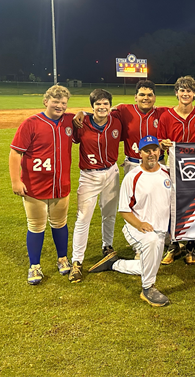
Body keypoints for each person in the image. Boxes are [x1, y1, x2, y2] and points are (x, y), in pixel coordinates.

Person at [88, 135, 173, 307]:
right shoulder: (133, 177)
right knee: (151, 241)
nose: (151, 154)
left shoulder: (167, 173)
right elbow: (124, 210)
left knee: (148, 267)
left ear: (160, 151)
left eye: (154, 150)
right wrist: (140, 224)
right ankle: (148, 289)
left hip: (161, 230)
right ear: (139, 153)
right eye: (147, 151)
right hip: (136, 229)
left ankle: (115, 264)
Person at [8, 85, 76, 285]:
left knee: (60, 223)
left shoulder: (70, 121)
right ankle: (34, 266)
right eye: (56, 102)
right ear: (46, 101)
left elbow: (86, 119)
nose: (60, 106)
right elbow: (15, 153)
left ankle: (62, 259)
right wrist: (15, 180)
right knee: (36, 226)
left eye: (63, 103)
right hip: (34, 186)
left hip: (60, 185)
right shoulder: (31, 123)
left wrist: (80, 113)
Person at [67, 89, 123, 283]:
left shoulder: (116, 120)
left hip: (111, 172)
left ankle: (107, 246)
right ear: (92, 107)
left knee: (109, 213)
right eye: (98, 104)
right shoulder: (81, 123)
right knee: (83, 218)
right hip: (89, 176)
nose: (102, 107)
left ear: (110, 105)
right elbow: (68, 123)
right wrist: (80, 112)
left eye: (105, 103)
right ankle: (77, 261)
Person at [158, 76, 195, 266]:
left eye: (189, 90)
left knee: (193, 205)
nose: (185, 94)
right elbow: (160, 140)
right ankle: (174, 244)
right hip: (172, 166)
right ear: (176, 92)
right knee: (172, 206)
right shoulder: (166, 116)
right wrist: (162, 143)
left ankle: (191, 244)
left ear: (194, 94)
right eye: (182, 90)